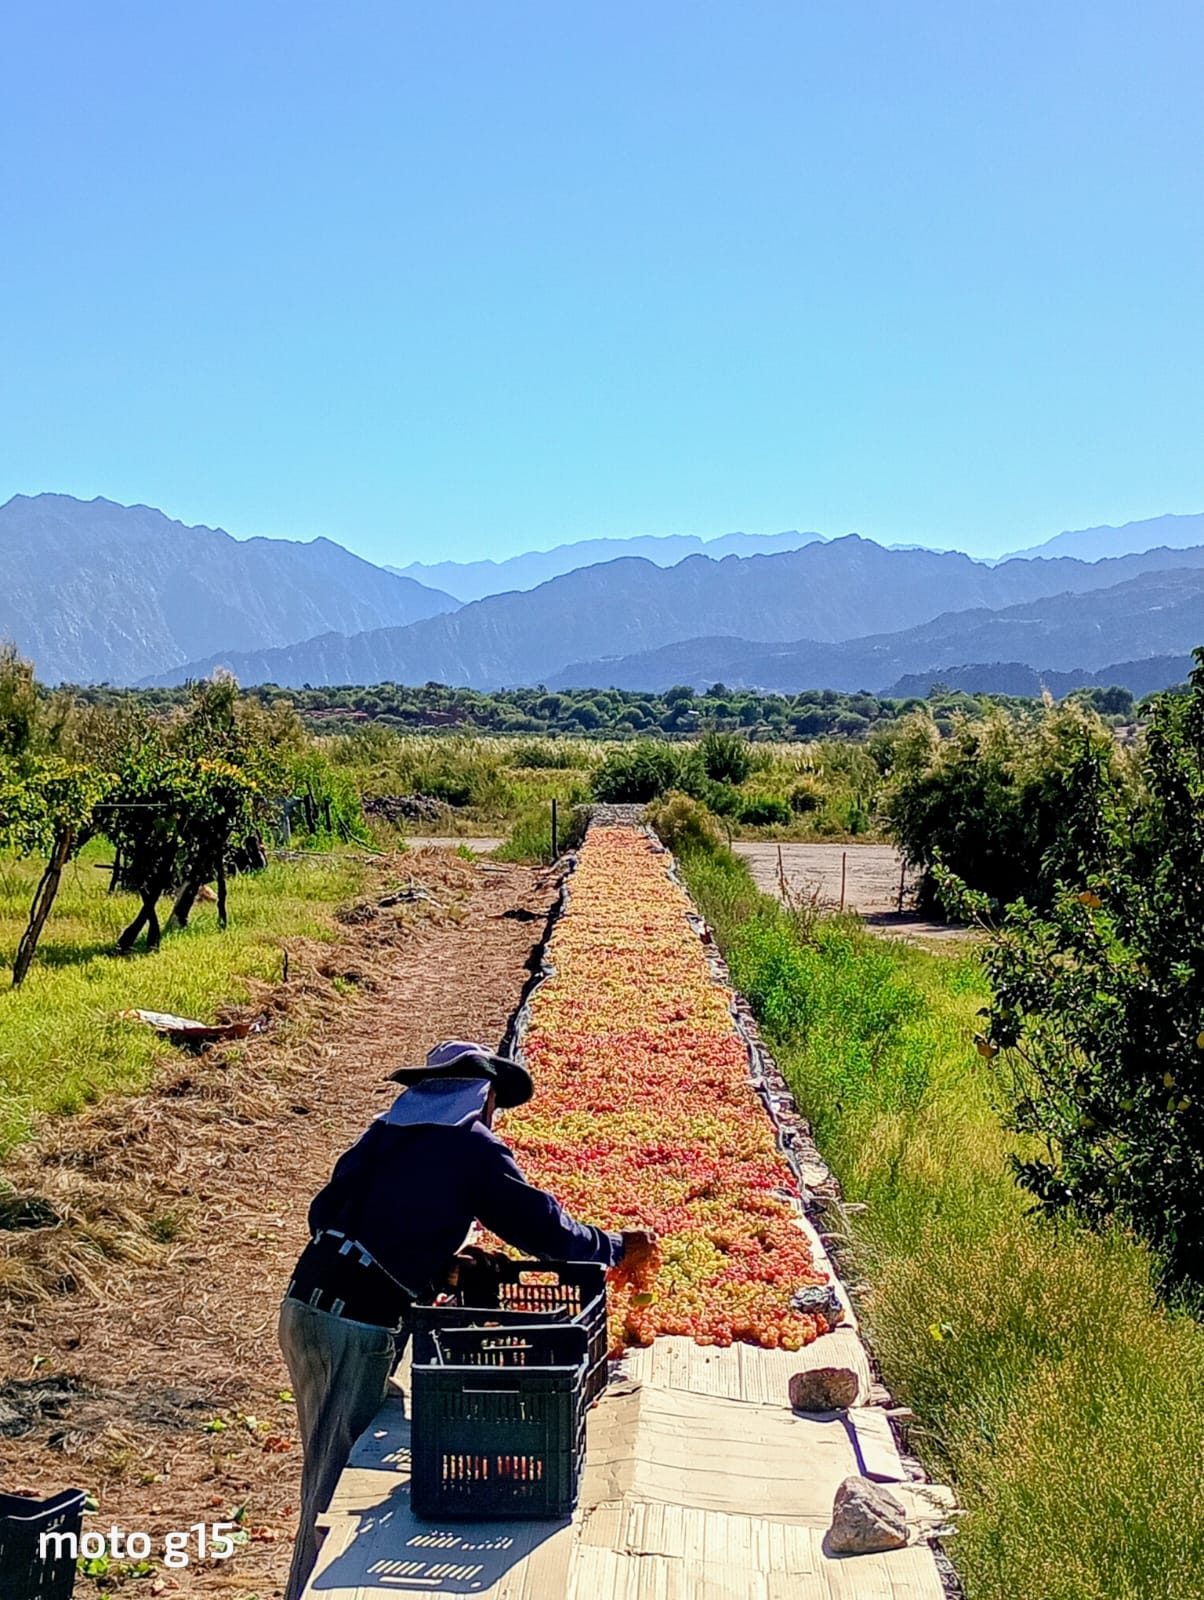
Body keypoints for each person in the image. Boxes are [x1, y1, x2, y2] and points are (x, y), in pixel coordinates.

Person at [278, 1039, 656, 1600]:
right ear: (483, 1098)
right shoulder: (469, 1145)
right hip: (354, 1327)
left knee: (337, 1453)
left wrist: (435, 1266)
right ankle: (305, 1588)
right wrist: (612, 1247)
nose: (493, 1115)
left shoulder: (383, 1134)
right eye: (494, 1103)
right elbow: (541, 1228)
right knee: (334, 1485)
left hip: (306, 1308)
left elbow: (330, 1216)